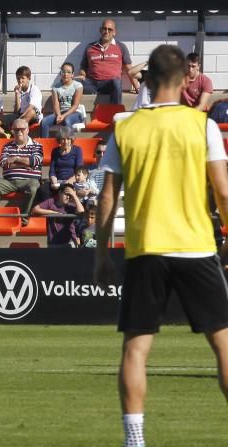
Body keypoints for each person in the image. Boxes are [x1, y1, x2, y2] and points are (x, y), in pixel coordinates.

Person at [94, 44, 228, 447]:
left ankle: (135, 442)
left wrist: (101, 255)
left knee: (136, 349)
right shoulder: (201, 124)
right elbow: (222, 192)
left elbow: (106, 198)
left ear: (146, 80)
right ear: (187, 80)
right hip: (195, 247)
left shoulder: (125, 127)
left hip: (145, 249)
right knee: (223, 344)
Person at [0, 118, 43, 224]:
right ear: (12, 131)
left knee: (34, 187)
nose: (19, 132)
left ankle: (23, 218)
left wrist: (15, 159)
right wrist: (24, 164)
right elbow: (3, 163)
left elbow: (35, 161)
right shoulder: (7, 146)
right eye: (16, 130)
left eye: (22, 129)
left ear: (28, 130)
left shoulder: (37, 145)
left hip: (29, 180)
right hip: (9, 181)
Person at [77, 19, 132, 105]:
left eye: (110, 29)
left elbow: (130, 69)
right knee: (76, 85)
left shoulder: (121, 46)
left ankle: (114, 111)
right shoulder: (90, 47)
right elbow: (83, 67)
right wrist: (82, 75)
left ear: (114, 32)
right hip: (92, 83)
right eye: (104, 28)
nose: (106, 31)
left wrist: (137, 87)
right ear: (100, 30)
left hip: (110, 84)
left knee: (117, 82)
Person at [35, 127, 83, 203]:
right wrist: (53, 180)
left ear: (71, 139)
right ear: (59, 140)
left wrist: (70, 180)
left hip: (72, 181)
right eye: (63, 139)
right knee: (43, 189)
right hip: (58, 181)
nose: (65, 141)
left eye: (68, 139)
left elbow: (79, 170)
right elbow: (52, 170)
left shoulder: (77, 150)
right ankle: (49, 210)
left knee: (65, 190)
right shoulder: (55, 151)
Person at [0, 66, 42, 135]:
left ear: (29, 78)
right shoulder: (20, 91)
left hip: (33, 116)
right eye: (18, 78)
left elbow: (31, 107)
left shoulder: (34, 89)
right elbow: (17, 110)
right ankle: (9, 135)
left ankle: (17, 132)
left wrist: (19, 119)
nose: (20, 81)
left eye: (23, 78)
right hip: (20, 115)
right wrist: (17, 94)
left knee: (31, 112)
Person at [40, 62, 84, 137]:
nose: (65, 74)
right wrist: (59, 115)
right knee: (44, 122)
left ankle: (69, 144)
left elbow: (75, 105)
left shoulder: (78, 86)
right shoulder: (56, 88)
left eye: (68, 72)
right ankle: (45, 146)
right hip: (60, 113)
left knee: (67, 120)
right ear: (61, 73)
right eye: (63, 72)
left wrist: (63, 116)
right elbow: (56, 103)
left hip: (75, 113)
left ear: (72, 74)